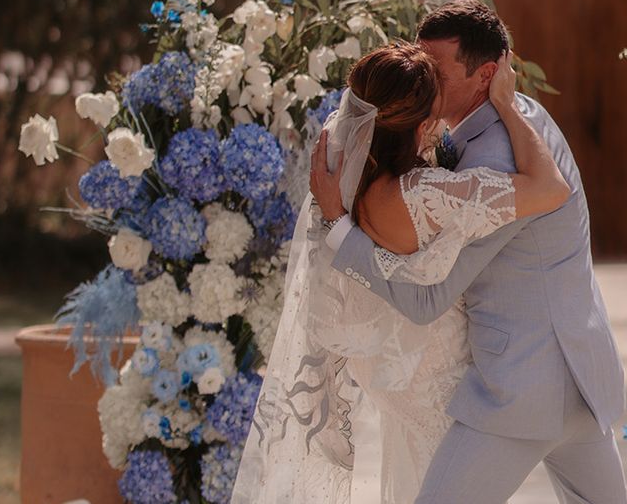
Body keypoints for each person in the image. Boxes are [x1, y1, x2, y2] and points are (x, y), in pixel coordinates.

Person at [231, 39, 573, 504]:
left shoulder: (342, 177)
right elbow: (550, 189)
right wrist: (507, 105)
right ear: (423, 121)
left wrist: (337, 221)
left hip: (400, 381)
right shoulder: (423, 195)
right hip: (442, 383)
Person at [322, 0, 627, 504]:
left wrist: (340, 231)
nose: (422, 83)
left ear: (487, 74)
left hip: (522, 392)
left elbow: (428, 300)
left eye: (435, 74)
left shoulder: (495, 160)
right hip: (583, 383)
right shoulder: (526, 118)